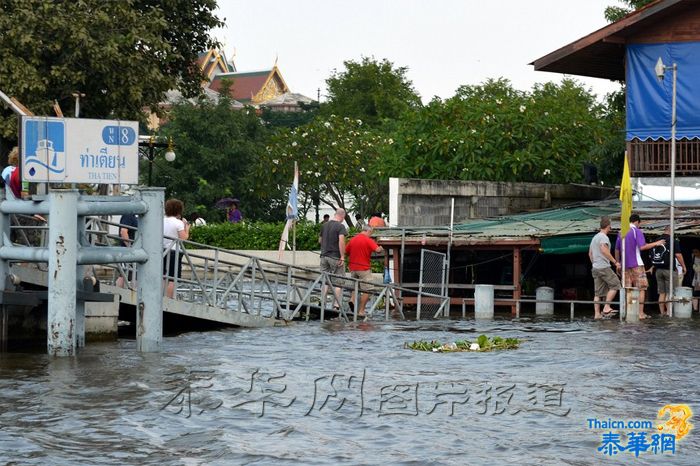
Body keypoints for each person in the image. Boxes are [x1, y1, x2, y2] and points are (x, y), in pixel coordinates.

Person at [615, 213, 665, 319]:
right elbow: (642, 247)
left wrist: (618, 263)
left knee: (627, 289)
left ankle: (628, 312)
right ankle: (640, 313)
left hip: (624, 266)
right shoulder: (636, 231)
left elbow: (617, 249)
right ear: (637, 222)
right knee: (641, 288)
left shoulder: (621, 232)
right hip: (637, 264)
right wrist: (657, 243)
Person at [346, 224, 384, 318]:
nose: (370, 235)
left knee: (356, 286)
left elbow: (346, 251)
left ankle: (352, 300)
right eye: (371, 233)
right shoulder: (368, 240)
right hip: (364, 269)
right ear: (368, 231)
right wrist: (381, 247)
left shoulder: (353, 239)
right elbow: (377, 250)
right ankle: (361, 311)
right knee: (369, 289)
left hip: (353, 268)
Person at [588, 217, 621, 319]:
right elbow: (604, 250)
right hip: (603, 266)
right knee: (616, 284)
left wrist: (595, 263)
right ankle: (606, 307)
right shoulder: (603, 237)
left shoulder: (595, 237)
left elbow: (590, 253)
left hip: (595, 267)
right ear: (608, 226)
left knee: (598, 293)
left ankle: (597, 314)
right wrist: (615, 262)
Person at [650, 225, 686, 316]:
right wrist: (683, 266)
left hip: (658, 270)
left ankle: (662, 312)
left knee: (661, 293)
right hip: (669, 270)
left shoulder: (657, 240)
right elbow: (678, 255)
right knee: (670, 293)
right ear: (671, 231)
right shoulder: (673, 241)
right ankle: (669, 312)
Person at [319, 208, 347, 308]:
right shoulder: (340, 226)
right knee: (338, 281)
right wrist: (342, 256)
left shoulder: (324, 225)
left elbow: (320, 240)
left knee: (325, 280)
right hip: (335, 256)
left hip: (323, 256)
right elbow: (341, 241)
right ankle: (336, 305)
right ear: (342, 216)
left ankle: (323, 301)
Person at [163, 199, 190, 298]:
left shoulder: (161, 220)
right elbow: (183, 238)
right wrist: (187, 228)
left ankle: (160, 297)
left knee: (163, 276)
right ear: (179, 210)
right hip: (174, 252)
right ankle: (168, 299)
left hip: (162, 250)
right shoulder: (178, 223)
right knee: (172, 278)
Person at [115, 213, 138, 288]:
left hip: (130, 251)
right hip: (126, 251)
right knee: (123, 274)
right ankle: (117, 292)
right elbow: (123, 231)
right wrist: (129, 246)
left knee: (130, 274)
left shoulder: (133, 215)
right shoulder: (128, 215)